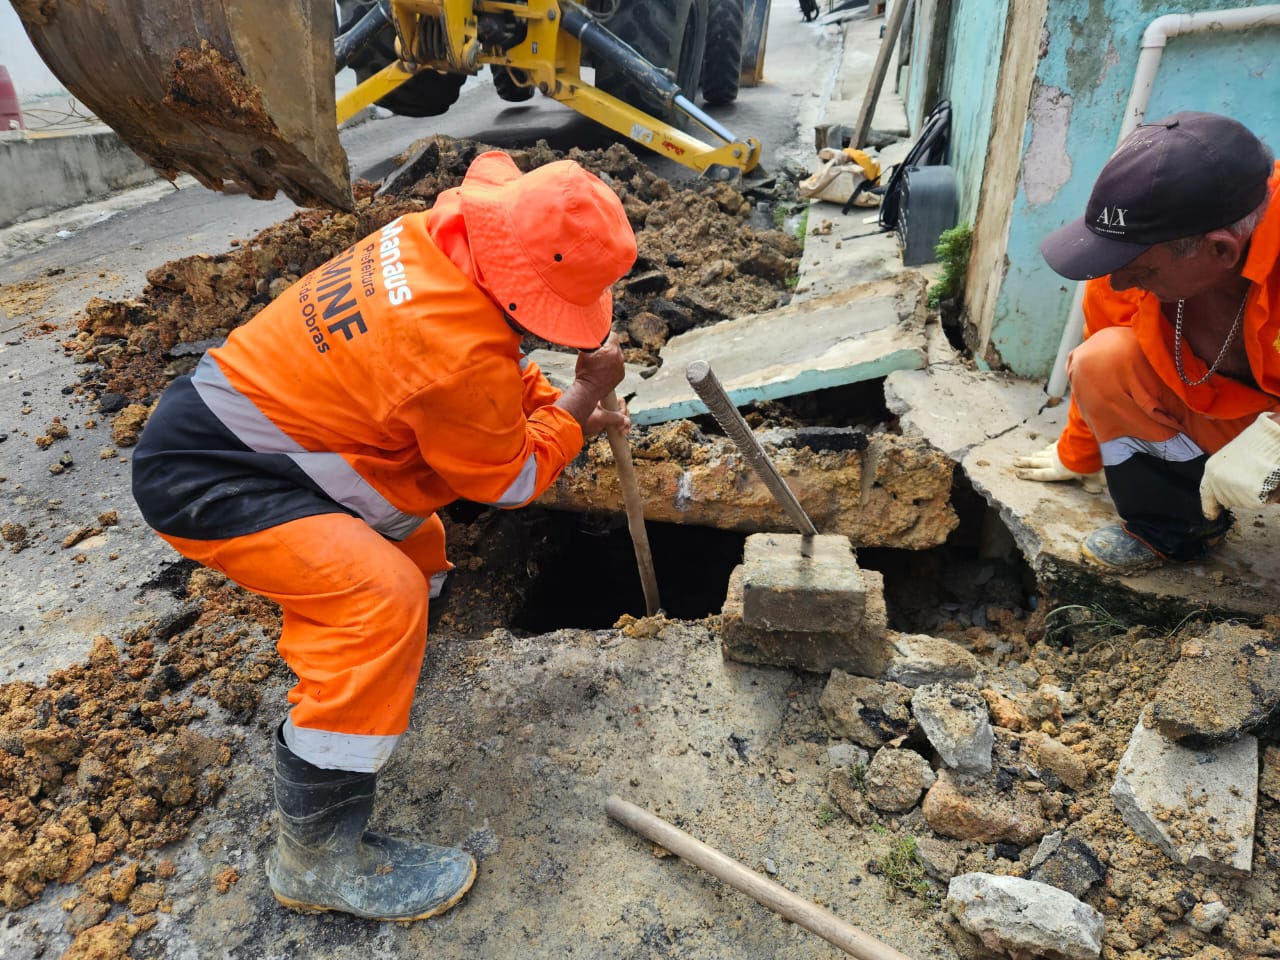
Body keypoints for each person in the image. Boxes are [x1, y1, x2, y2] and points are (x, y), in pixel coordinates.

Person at [131, 151, 637, 920]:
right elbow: (509, 481)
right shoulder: (454, 351)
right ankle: (316, 858)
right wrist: (579, 401)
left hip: (250, 432)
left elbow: (489, 370)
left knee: (415, 539)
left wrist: (558, 406)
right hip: (213, 475)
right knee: (377, 597)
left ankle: (375, 683)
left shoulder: (434, 241)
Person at [1014, 111, 1280, 574]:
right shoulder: (1130, 265)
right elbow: (1099, 366)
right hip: (1226, 412)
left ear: (1220, 250)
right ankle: (1173, 528)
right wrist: (1078, 452)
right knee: (1103, 360)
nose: (1117, 282)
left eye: (1140, 269)